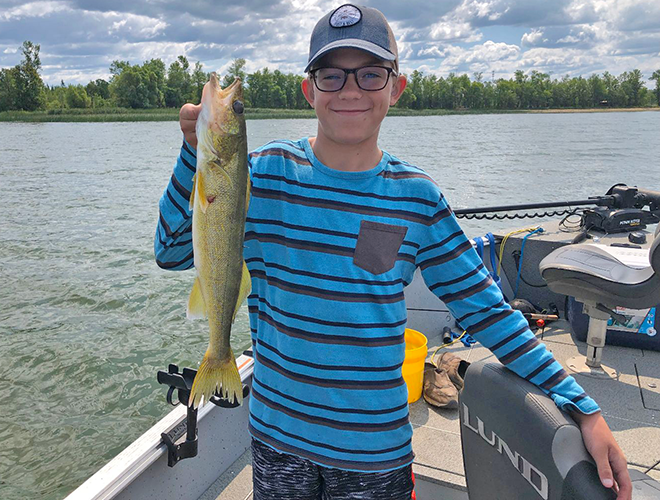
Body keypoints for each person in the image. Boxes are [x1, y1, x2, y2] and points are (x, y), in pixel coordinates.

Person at [155, 4, 631, 499]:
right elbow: (170, 252)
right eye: (332, 75)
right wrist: (194, 153)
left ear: (396, 88)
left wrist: (583, 407)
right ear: (309, 89)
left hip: (374, 451)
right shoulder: (262, 174)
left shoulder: (417, 197)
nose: (352, 90)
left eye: (371, 74)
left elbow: (488, 311)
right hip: (277, 438)